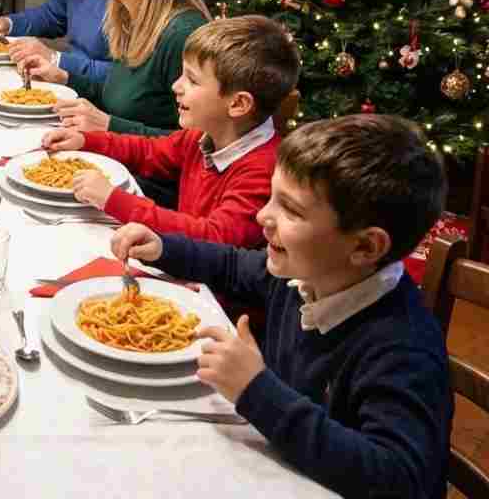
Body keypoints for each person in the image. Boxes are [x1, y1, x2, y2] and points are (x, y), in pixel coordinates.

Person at [111, 114, 452, 498]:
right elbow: (231, 264)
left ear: (365, 247)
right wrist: (164, 248)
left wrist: (256, 390)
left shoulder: (402, 347)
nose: (262, 216)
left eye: (290, 210)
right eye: (272, 197)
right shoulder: (306, 274)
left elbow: (398, 479)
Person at [19, 0, 211, 207]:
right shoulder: (129, 17)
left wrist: (110, 127)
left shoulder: (184, 34)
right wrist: (65, 76)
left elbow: (201, 149)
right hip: (113, 169)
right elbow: (129, 94)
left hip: (149, 197)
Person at [42, 15, 300, 247]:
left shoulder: (262, 171)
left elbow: (213, 237)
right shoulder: (202, 135)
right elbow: (148, 151)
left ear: (238, 104)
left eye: (193, 80)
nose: (177, 86)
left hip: (211, 294)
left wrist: (114, 199)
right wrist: (86, 140)